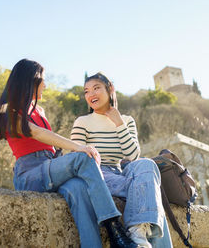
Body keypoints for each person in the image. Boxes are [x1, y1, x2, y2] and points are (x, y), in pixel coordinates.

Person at [0, 59, 138, 248]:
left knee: (78, 188)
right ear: (31, 81)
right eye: (43, 79)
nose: (45, 84)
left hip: (50, 167)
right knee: (83, 157)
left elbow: (46, 142)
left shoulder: (40, 110)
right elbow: (36, 133)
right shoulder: (8, 110)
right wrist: (78, 147)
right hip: (29, 173)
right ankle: (114, 228)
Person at [71, 73, 173, 248]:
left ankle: (136, 230)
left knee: (147, 164)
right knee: (150, 192)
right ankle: (142, 236)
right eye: (87, 91)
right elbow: (77, 157)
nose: (91, 95)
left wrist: (119, 123)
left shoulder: (127, 120)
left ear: (110, 89)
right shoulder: (83, 122)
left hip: (121, 172)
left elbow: (133, 155)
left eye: (96, 88)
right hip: (97, 173)